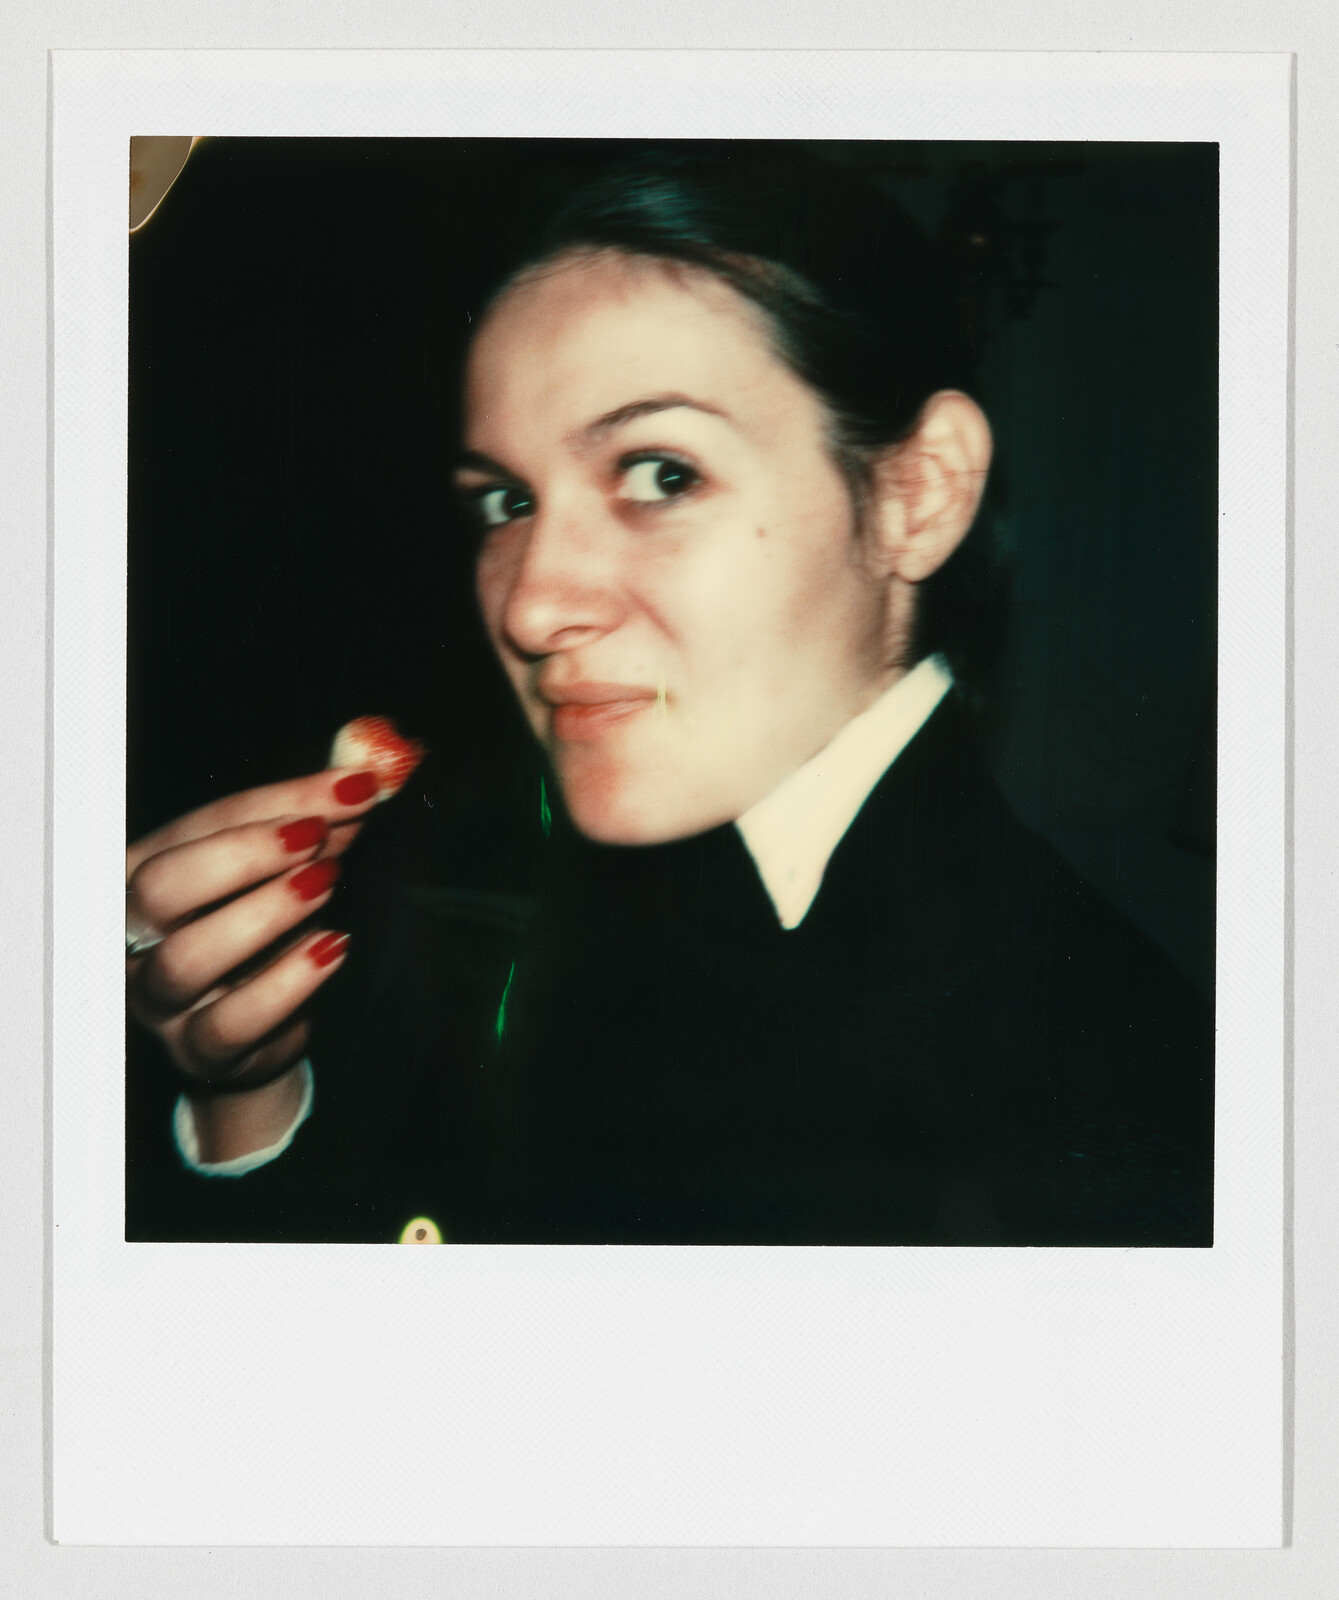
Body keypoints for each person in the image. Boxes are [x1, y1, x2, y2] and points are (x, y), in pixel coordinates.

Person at [125, 149, 1214, 1245]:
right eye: (506, 498)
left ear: (915, 497)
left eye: (661, 472)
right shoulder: (633, 881)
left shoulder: (1115, 1094)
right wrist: (247, 1093)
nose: (531, 606)